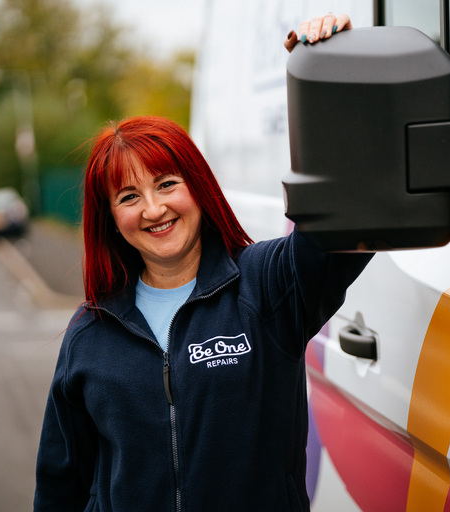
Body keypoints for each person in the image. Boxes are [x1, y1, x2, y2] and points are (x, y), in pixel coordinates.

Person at [34, 13, 364, 512]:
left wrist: (336, 75)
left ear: (199, 188)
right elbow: (60, 486)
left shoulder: (267, 286)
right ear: (111, 219)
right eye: (128, 196)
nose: (153, 209)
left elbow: (349, 207)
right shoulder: (89, 334)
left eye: (167, 184)